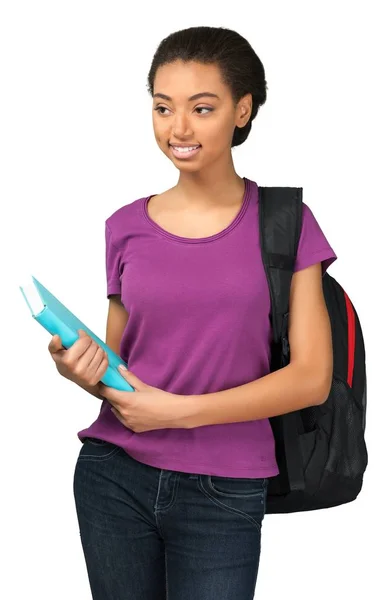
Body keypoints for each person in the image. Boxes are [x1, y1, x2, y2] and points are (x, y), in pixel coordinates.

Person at [48, 26, 337, 600]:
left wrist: (178, 414)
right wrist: (79, 368)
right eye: (162, 107)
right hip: (113, 477)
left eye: (201, 108)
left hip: (224, 488)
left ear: (242, 109)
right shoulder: (124, 225)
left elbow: (312, 379)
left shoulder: (286, 222)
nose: (178, 128)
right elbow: (121, 372)